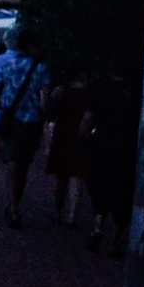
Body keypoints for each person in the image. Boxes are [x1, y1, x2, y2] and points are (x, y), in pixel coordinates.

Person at [0, 28, 50, 227]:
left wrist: (1, 110)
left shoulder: (5, 66)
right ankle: (14, 206)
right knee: (22, 167)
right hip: (31, 124)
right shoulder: (42, 69)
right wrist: (44, 117)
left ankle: (12, 207)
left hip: (10, 123)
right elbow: (45, 99)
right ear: (30, 46)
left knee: (11, 164)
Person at [82, 73, 137, 256]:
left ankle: (97, 227)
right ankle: (115, 240)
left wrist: (82, 135)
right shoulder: (133, 91)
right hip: (126, 147)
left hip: (101, 144)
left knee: (99, 186)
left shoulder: (100, 88)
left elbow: (88, 117)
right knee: (122, 191)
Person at [45, 69, 92, 227]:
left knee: (61, 176)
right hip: (80, 136)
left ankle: (57, 212)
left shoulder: (60, 91)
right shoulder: (90, 92)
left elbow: (51, 114)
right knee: (77, 177)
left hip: (62, 133)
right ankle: (72, 215)